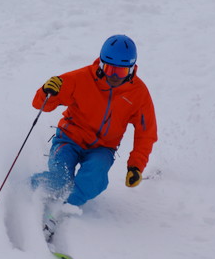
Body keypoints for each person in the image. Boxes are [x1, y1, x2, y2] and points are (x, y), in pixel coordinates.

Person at [30, 35, 158, 240]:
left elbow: (146, 132)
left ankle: (62, 209)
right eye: (109, 69)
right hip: (69, 139)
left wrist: (136, 166)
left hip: (102, 148)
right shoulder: (81, 78)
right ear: (101, 63)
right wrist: (47, 91)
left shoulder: (138, 93)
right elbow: (41, 104)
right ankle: (28, 191)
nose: (114, 76)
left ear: (133, 68)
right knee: (60, 179)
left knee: (95, 180)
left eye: (121, 71)